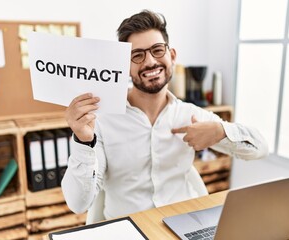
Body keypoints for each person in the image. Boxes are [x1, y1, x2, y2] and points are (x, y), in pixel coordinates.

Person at [61, 9, 268, 220]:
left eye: (157, 50)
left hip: (183, 223)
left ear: (172, 56)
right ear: (124, 66)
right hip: (129, 230)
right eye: (137, 55)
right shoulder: (101, 122)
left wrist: (221, 132)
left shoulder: (190, 115)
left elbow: (260, 148)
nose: (150, 62)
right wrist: (83, 140)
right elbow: (78, 204)